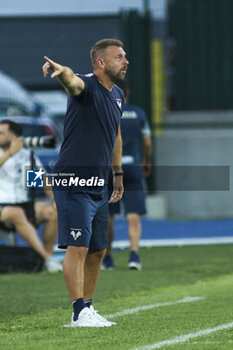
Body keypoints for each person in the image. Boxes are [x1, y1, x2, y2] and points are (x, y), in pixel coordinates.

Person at [42, 38, 128, 327]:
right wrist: (62, 72)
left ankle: (88, 307)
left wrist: (116, 174)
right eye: (119, 57)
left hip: (99, 182)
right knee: (77, 248)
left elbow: (115, 136)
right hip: (73, 179)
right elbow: (71, 81)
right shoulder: (86, 85)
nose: (126, 61)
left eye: (125, 56)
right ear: (101, 62)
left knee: (97, 249)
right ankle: (78, 311)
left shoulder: (118, 94)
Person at [102, 80, 152, 271]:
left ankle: (108, 257)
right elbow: (147, 142)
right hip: (133, 167)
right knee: (133, 216)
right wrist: (147, 161)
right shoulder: (138, 113)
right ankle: (134, 255)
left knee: (109, 216)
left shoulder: (107, 112)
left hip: (110, 168)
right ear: (128, 92)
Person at [0, 119, 63, 272]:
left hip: (24, 203)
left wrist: (55, 200)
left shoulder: (27, 155)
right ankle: (47, 258)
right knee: (16, 213)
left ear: (14, 137)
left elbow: (41, 179)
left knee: (52, 212)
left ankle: (45, 260)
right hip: (3, 206)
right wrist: (9, 154)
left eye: (1, 133)